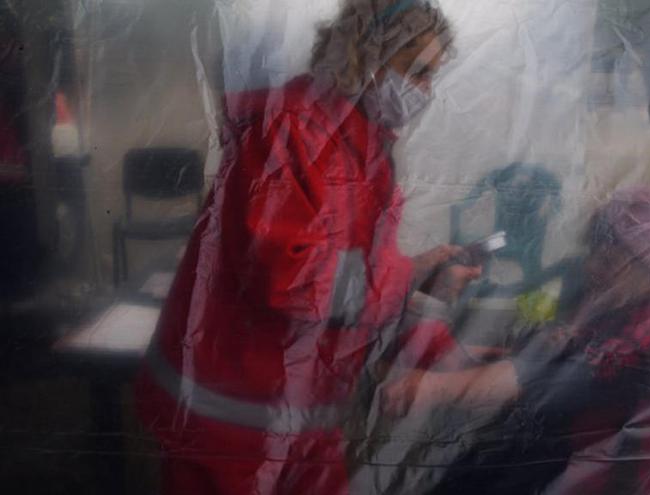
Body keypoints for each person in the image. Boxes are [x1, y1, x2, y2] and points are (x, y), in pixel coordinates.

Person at [135, 1, 480, 494]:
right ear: (368, 55)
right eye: (418, 72)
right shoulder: (290, 128)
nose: (425, 92)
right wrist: (408, 280)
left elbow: (361, 274)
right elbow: (299, 282)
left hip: (295, 407)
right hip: (232, 419)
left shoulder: (362, 145)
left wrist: (437, 334)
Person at [383, 185, 650, 494]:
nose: (593, 266)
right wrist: (461, 353)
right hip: (534, 468)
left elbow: (546, 377)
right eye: (594, 252)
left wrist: (430, 388)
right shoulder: (614, 309)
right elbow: (542, 357)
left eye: (609, 259)